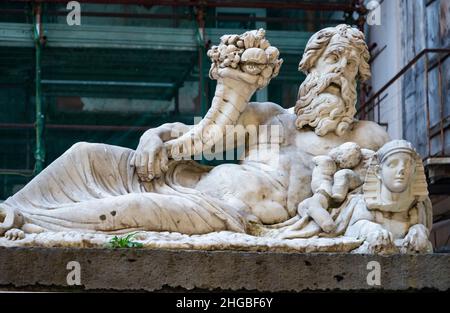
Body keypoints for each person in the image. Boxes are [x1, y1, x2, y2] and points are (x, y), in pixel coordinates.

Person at [0, 25, 389, 241]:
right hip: (193, 183)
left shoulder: (368, 138)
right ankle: (13, 208)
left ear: (358, 78)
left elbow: (396, 194)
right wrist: (155, 135)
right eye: (333, 60)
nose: (340, 72)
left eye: (351, 66)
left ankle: (28, 223)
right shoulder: (273, 118)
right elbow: (201, 133)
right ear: (311, 67)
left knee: (134, 209)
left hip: (226, 213)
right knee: (88, 153)